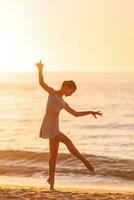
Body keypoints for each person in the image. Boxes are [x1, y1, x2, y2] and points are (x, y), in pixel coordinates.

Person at [36, 60, 103, 190]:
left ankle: (51, 181)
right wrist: (40, 69)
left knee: (53, 156)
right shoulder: (52, 92)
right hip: (49, 125)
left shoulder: (63, 102)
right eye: (71, 91)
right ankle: (86, 162)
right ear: (66, 87)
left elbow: (75, 113)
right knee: (68, 142)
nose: (71, 94)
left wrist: (90, 112)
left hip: (54, 126)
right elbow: (41, 83)